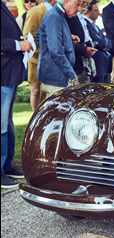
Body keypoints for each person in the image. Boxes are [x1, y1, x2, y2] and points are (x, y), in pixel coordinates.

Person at [1, 0, 33, 188]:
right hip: (3, 75)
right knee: (2, 126)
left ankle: (7, 165)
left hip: (10, 75)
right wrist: (17, 45)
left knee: (8, 124)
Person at [37, 0, 81, 98]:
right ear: (66, 1)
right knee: (58, 113)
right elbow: (56, 51)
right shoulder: (54, 16)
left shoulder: (58, 15)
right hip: (56, 78)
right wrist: (71, 73)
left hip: (56, 76)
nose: (79, 9)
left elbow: (40, 36)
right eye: (77, 5)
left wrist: (67, 39)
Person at [23, 0, 57, 111]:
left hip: (55, 61)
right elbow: (28, 35)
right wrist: (41, 53)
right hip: (36, 60)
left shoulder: (59, 11)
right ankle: (35, 119)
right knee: (36, 91)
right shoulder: (35, 11)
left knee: (49, 92)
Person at [67, 0, 97, 84]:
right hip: (75, 62)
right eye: (82, 3)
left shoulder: (80, 17)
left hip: (84, 61)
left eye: (87, 4)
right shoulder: (69, 16)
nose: (84, 6)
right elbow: (66, 42)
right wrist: (84, 50)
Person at [84, 0, 112, 83]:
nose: (99, 13)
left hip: (105, 66)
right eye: (96, 10)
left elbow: (107, 42)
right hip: (97, 65)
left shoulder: (94, 25)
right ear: (88, 11)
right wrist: (103, 43)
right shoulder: (85, 24)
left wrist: (104, 44)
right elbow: (98, 42)